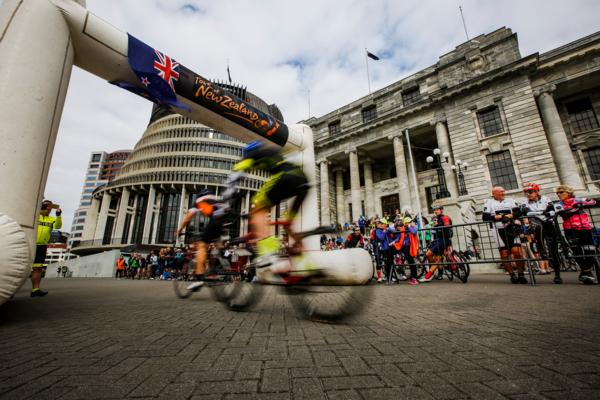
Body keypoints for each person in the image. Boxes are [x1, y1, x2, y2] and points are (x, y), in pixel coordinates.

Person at [232, 141, 311, 268]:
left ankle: (268, 252)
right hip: (302, 181)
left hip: (284, 177)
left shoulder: (251, 154)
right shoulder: (274, 152)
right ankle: (307, 265)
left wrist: (229, 190)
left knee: (257, 207)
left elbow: (237, 172)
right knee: (288, 226)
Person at [177, 188, 230, 291]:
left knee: (202, 245)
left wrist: (180, 229)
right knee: (217, 245)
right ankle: (217, 268)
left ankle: (199, 278)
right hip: (225, 220)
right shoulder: (216, 198)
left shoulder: (199, 200)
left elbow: (188, 217)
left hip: (215, 220)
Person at [482, 186, 527, 284]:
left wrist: (506, 216)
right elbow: (485, 217)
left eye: (503, 191)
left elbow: (518, 212)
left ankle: (521, 274)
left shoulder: (510, 200)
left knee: (517, 252)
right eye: (501, 191)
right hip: (497, 230)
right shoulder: (489, 203)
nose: (503, 193)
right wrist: (499, 217)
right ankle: (512, 275)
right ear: (494, 193)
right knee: (504, 254)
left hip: (511, 228)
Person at [555, 185, 597, 284]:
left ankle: (584, 272)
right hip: (570, 230)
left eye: (561, 192)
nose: (559, 195)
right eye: (557, 193)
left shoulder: (579, 199)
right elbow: (564, 214)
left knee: (589, 249)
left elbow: (595, 202)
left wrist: (584, 204)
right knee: (577, 251)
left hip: (585, 228)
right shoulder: (558, 204)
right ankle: (588, 273)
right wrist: (577, 208)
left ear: (568, 192)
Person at [520, 183, 555, 276]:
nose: (528, 194)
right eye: (526, 192)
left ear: (536, 192)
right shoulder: (525, 202)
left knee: (552, 246)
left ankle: (549, 267)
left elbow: (552, 210)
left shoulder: (546, 199)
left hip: (548, 224)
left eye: (530, 192)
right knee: (539, 248)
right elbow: (526, 212)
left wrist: (537, 213)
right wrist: (543, 213)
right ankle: (543, 267)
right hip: (536, 227)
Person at [30, 200, 62, 297]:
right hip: (31, 243)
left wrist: (58, 215)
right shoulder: (35, 216)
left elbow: (58, 226)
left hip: (42, 245)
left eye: (50, 209)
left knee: (38, 268)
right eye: (46, 208)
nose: (48, 210)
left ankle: (35, 289)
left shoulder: (51, 219)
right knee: (22, 267)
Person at [419, 205, 453, 282]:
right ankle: (431, 274)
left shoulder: (445, 217)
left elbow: (447, 226)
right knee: (435, 258)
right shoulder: (437, 218)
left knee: (430, 255)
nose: (435, 211)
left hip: (443, 240)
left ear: (441, 210)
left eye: (437, 210)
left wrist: (437, 225)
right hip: (438, 240)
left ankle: (429, 276)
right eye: (434, 210)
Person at [393, 217, 419, 285]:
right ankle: (410, 276)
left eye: (409, 222)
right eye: (407, 223)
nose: (408, 224)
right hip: (404, 247)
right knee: (409, 261)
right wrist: (394, 242)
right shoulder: (403, 229)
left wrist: (410, 226)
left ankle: (414, 278)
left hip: (410, 247)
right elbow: (399, 237)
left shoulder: (413, 227)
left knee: (411, 262)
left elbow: (414, 231)